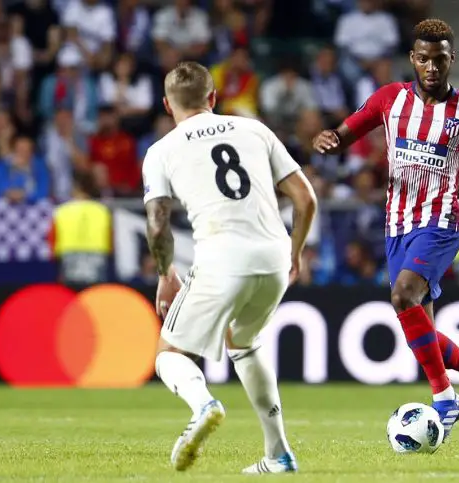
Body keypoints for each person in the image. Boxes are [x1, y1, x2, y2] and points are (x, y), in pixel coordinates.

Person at [313, 19, 459, 439]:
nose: (432, 67)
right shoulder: (390, 99)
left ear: (452, 59)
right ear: (412, 59)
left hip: (440, 223)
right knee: (418, 328)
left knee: (402, 295)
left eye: (440, 59)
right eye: (423, 59)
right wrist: (329, 139)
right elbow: (346, 132)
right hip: (397, 225)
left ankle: (445, 398)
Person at [141, 61, 317, 474]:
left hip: (222, 255)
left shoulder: (161, 151)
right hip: (274, 256)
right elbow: (305, 198)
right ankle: (278, 454)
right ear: (214, 97)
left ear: (167, 105)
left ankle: (203, 405)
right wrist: (294, 253)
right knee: (244, 343)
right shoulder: (254, 129)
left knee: (169, 354)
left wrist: (166, 274)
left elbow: (158, 224)